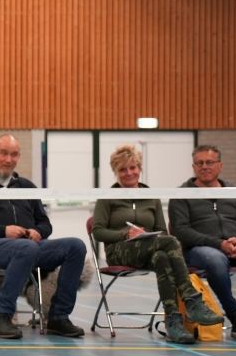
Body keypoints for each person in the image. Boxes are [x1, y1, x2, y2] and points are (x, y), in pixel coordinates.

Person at [0, 134, 87, 339]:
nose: (9, 159)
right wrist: (3, 230)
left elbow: (45, 223)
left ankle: (58, 316)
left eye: (14, 154)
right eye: (3, 153)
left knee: (76, 247)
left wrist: (39, 232)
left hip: (29, 247)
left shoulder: (26, 186)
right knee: (27, 248)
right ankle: (2, 316)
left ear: (19, 157)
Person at [92, 144, 223, 344]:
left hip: (149, 248)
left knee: (162, 256)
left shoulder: (151, 195)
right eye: (123, 169)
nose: (129, 173)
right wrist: (125, 233)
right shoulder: (108, 197)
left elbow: (162, 230)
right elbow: (98, 231)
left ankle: (173, 322)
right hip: (119, 250)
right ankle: (192, 300)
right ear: (116, 172)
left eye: (133, 167)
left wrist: (147, 234)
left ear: (140, 168)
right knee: (170, 242)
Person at [168, 144, 236, 341]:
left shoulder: (234, 191)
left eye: (209, 162)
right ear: (193, 166)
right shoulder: (181, 194)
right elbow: (182, 231)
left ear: (220, 165)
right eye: (199, 163)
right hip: (200, 250)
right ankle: (235, 316)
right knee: (216, 260)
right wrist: (218, 244)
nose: (204, 167)